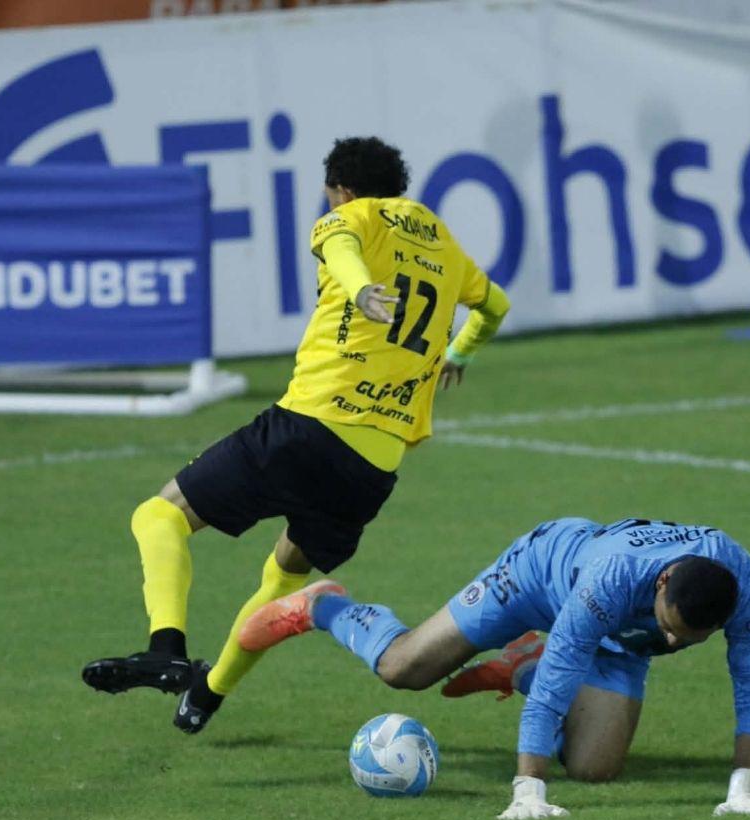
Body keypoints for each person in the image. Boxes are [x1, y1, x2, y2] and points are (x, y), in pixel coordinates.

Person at [82, 136, 511, 734]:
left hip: (307, 429)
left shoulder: (350, 218)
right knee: (283, 578)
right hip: (372, 469)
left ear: (342, 190)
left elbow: (338, 246)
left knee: (159, 516)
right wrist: (459, 350)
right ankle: (207, 693)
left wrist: (361, 288)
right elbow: (496, 305)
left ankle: (166, 649)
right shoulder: (438, 238)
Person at [239, 517, 750, 820]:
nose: (674, 641)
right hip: (538, 578)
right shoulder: (612, 577)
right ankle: (324, 606)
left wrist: (746, 790)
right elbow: (562, 680)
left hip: (614, 637)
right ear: (660, 584)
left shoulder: (744, 587)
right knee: (403, 668)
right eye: (672, 626)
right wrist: (528, 791)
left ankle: (522, 665)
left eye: (690, 639)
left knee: (594, 769)